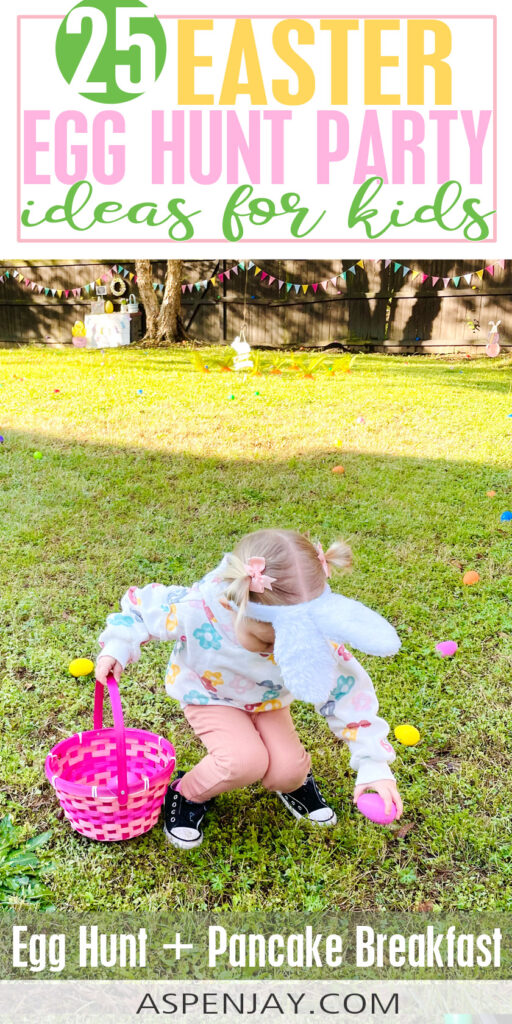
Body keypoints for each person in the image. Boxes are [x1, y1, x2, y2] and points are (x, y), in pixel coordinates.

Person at [96, 528, 403, 850]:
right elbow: (139, 608)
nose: (276, 651)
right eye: (269, 641)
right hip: (210, 695)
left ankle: (295, 782)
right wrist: (118, 645)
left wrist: (373, 764)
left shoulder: (312, 634)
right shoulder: (197, 607)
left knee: (287, 772)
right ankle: (187, 791)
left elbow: (348, 694)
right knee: (243, 762)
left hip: (268, 701)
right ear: (237, 607)